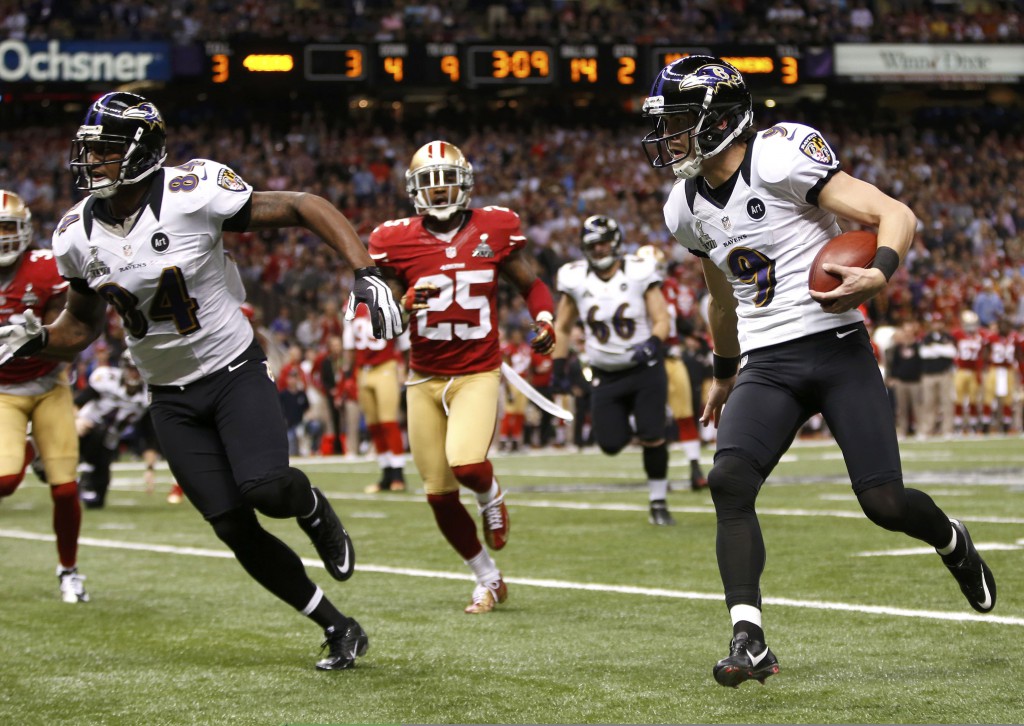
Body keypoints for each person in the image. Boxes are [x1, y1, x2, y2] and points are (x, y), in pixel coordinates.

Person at [0, 92, 403, 669]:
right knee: (233, 526)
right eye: (91, 151)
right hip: (168, 397)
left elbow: (303, 204)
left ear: (142, 153)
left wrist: (364, 272)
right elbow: (83, 324)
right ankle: (337, 627)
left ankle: (311, 505)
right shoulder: (73, 234)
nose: (94, 164)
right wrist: (38, 337)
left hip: (233, 371)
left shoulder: (191, 193)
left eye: (108, 152)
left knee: (265, 489)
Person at [641, 56, 997, 687]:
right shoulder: (683, 206)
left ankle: (951, 539)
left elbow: (896, 214)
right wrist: (725, 372)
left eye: (678, 122)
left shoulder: (779, 158)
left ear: (721, 119)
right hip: (767, 363)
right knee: (728, 480)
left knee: (884, 502)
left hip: (836, 349)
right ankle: (748, 637)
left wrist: (881, 271)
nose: (668, 138)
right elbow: (722, 297)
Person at [368, 140, 556, 614]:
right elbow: (378, 318)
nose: (438, 192)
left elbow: (530, 284)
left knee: (468, 466)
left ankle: (492, 495)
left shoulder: (495, 227)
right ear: (413, 191)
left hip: (476, 371)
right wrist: (405, 303)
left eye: (447, 181)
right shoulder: (394, 239)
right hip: (423, 377)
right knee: (438, 492)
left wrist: (546, 319)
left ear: (465, 183)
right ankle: (487, 579)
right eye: (428, 184)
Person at [551, 216, 675, 526]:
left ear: (616, 242)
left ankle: (658, 501)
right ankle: (636, 422)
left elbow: (661, 318)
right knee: (608, 443)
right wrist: (557, 364)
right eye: (593, 244)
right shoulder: (575, 278)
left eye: (604, 241)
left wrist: (654, 343)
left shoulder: (639, 270)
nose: (599, 248)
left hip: (644, 368)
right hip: (606, 374)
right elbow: (562, 327)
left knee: (653, 436)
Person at [0, 190, 88, 604]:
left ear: (25, 231)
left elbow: (72, 329)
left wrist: (43, 336)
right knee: (5, 481)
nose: (0, 238)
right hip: (3, 392)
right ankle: (29, 451)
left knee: (66, 489)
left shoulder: (45, 269)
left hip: (48, 383)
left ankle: (69, 570)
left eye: (6, 228)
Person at [636, 244, 707, 490]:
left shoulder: (671, 288)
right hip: (650, 361)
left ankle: (695, 468)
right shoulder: (633, 291)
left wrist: (696, 336)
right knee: (655, 420)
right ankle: (659, 476)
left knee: (686, 413)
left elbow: (678, 320)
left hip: (674, 357)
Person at [342, 303, 409, 491]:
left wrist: (406, 366)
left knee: (388, 421)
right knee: (374, 425)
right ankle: (386, 473)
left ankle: (398, 474)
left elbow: (404, 341)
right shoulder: (351, 307)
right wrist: (347, 374)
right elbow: (348, 344)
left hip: (385, 366)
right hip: (363, 370)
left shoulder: (389, 304)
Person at [75, 349, 149, 508]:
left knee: (97, 499)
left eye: (138, 370)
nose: (135, 374)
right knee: (99, 431)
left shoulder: (146, 397)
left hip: (109, 440)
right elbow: (78, 401)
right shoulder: (106, 379)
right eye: (131, 369)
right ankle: (85, 471)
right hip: (86, 430)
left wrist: (150, 468)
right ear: (123, 368)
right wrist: (75, 420)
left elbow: (150, 434)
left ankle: (88, 482)